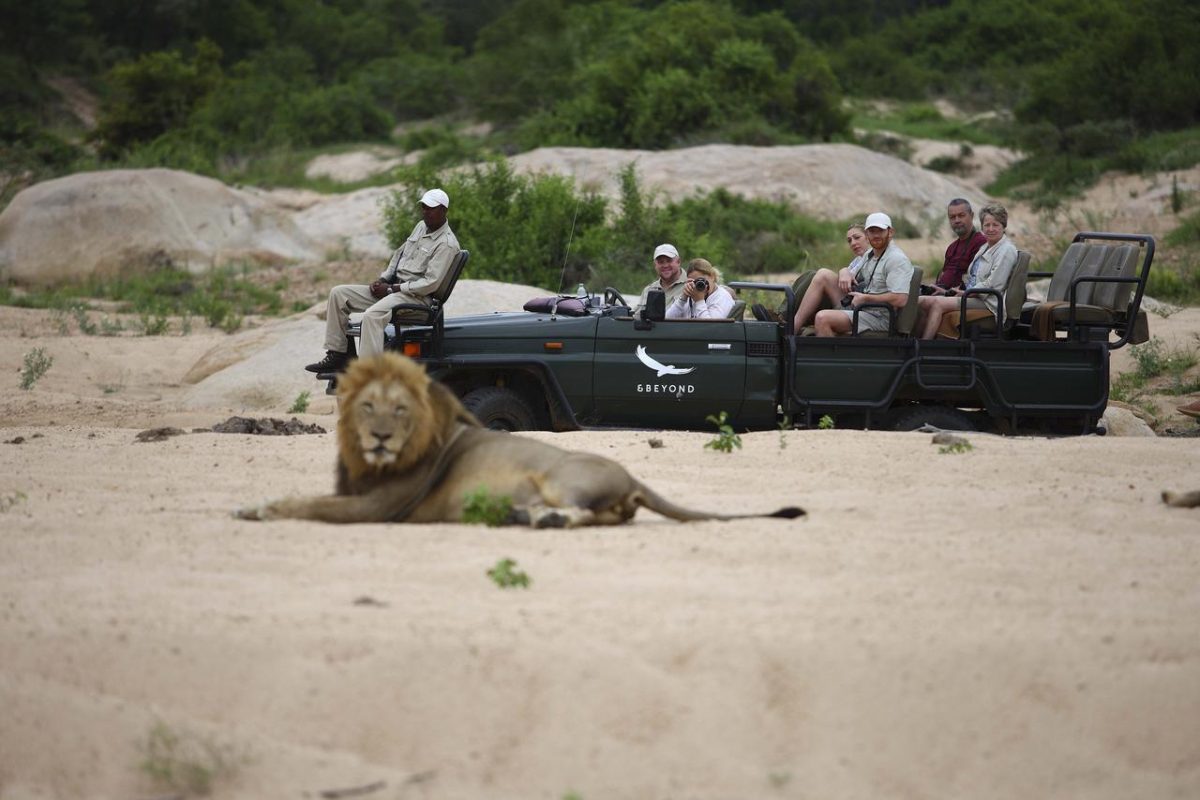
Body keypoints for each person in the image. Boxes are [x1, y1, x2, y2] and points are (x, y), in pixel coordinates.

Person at [305, 188, 460, 372]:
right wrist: (383, 279)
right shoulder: (421, 226)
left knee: (372, 316)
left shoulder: (447, 244)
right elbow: (399, 254)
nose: (426, 211)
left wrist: (391, 289)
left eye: (431, 208)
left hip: (416, 299)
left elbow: (430, 284)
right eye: (424, 207)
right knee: (338, 294)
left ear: (443, 210)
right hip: (395, 290)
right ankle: (338, 355)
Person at [918, 203, 1017, 340]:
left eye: (995, 225)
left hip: (990, 302)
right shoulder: (986, 247)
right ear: (982, 226)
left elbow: (994, 284)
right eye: (987, 225)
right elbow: (973, 276)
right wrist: (955, 291)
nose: (990, 229)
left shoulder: (1006, 250)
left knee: (937, 303)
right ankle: (910, 339)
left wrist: (968, 293)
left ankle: (924, 345)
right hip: (975, 295)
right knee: (920, 301)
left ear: (1003, 226)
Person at [813, 212, 915, 337]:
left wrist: (866, 298)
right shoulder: (870, 254)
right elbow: (852, 274)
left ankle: (830, 356)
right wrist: (844, 272)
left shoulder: (896, 259)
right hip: (864, 310)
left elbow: (900, 299)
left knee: (822, 318)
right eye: (872, 231)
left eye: (880, 231)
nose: (876, 235)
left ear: (890, 232)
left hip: (881, 318)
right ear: (867, 235)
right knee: (819, 278)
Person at [791, 223, 870, 330]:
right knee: (810, 275)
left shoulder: (873, 258)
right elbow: (845, 279)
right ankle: (784, 315)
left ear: (868, 237)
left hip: (861, 307)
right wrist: (844, 270)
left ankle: (792, 326)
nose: (853, 243)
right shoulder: (858, 261)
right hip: (848, 301)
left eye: (857, 238)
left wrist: (844, 271)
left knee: (823, 275)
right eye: (849, 240)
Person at [925, 198, 987, 295]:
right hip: (940, 293)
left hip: (960, 297)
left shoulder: (980, 242)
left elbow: (976, 280)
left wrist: (946, 292)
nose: (957, 220)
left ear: (971, 216)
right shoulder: (952, 247)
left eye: (961, 216)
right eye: (952, 217)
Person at [666, 258, 735, 319]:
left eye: (701, 281)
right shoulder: (691, 295)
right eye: (694, 282)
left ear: (712, 277)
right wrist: (682, 299)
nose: (698, 286)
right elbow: (666, 319)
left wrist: (699, 301)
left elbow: (711, 327)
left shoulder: (722, 297)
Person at [632, 243, 688, 316]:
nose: (665, 265)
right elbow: (636, 318)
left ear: (678, 261)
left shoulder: (692, 285)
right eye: (660, 262)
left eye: (669, 261)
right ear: (655, 265)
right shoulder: (648, 290)